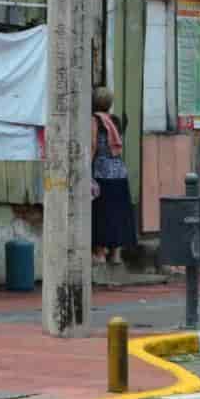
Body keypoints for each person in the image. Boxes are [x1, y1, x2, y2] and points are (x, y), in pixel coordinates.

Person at [91, 86, 135, 265]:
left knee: (102, 214)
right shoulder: (115, 121)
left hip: (102, 173)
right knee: (119, 213)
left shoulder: (95, 121)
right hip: (119, 172)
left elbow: (93, 145)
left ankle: (101, 254)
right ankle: (116, 255)